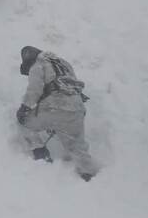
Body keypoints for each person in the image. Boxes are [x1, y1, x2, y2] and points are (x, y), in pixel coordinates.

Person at [15, 46, 97, 181]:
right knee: (76, 145)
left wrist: (24, 108)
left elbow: (35, 89)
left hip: (54, 105)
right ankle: (87, 173)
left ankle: (41, 154)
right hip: (76, 108)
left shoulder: (38, 64)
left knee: (25, 124)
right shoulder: (64, 64)